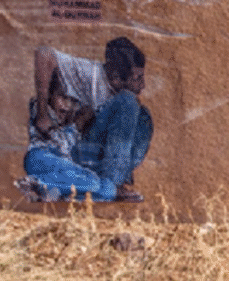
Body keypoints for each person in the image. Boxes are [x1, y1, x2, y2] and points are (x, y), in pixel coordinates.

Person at [31, 37, 153, 202]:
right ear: (116, 77)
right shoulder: (90, 73)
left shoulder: (113, 101)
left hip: (87, 153)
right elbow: (43, 54)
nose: (142, 85)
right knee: (128, 100)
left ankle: (113, 181)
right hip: (69, 152)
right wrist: (42, 114)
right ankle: (112, 184)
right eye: (137, 78)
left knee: (143, 115)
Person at [16, 68, 117, 202]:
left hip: (65, 172)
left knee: (108, 189)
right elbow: (45, 121)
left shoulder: (76, 125)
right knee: (91, 181)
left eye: (72, 100)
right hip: (41, 159)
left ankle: (53, 192)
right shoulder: (42, 111)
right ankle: (36, 184)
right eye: (62, 97)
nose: (66, 106)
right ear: (49, 95)